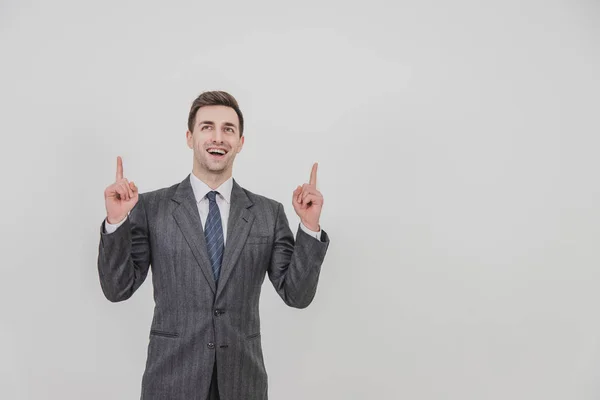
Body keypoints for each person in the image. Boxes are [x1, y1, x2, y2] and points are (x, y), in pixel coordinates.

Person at [97, 91, 330, 400]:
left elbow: (297, 295)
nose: (217, 137)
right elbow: (117, 289)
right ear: (190, 137)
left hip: (242, 382)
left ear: (240, 142)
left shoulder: (267, 214)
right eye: (207, 127)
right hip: (171, 381)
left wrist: (309, 226)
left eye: (228, 129)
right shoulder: (151, 208)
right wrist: (116, 222)